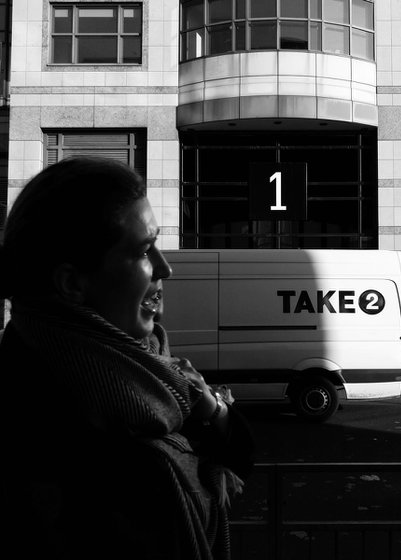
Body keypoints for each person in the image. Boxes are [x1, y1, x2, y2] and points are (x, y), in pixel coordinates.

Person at [0, 157, 253, 560]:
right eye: (143, 251)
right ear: (71, 283)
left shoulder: (152, 376)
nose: (165, 269)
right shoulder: (44, 429)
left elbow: (240, 454)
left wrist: (213, 407)